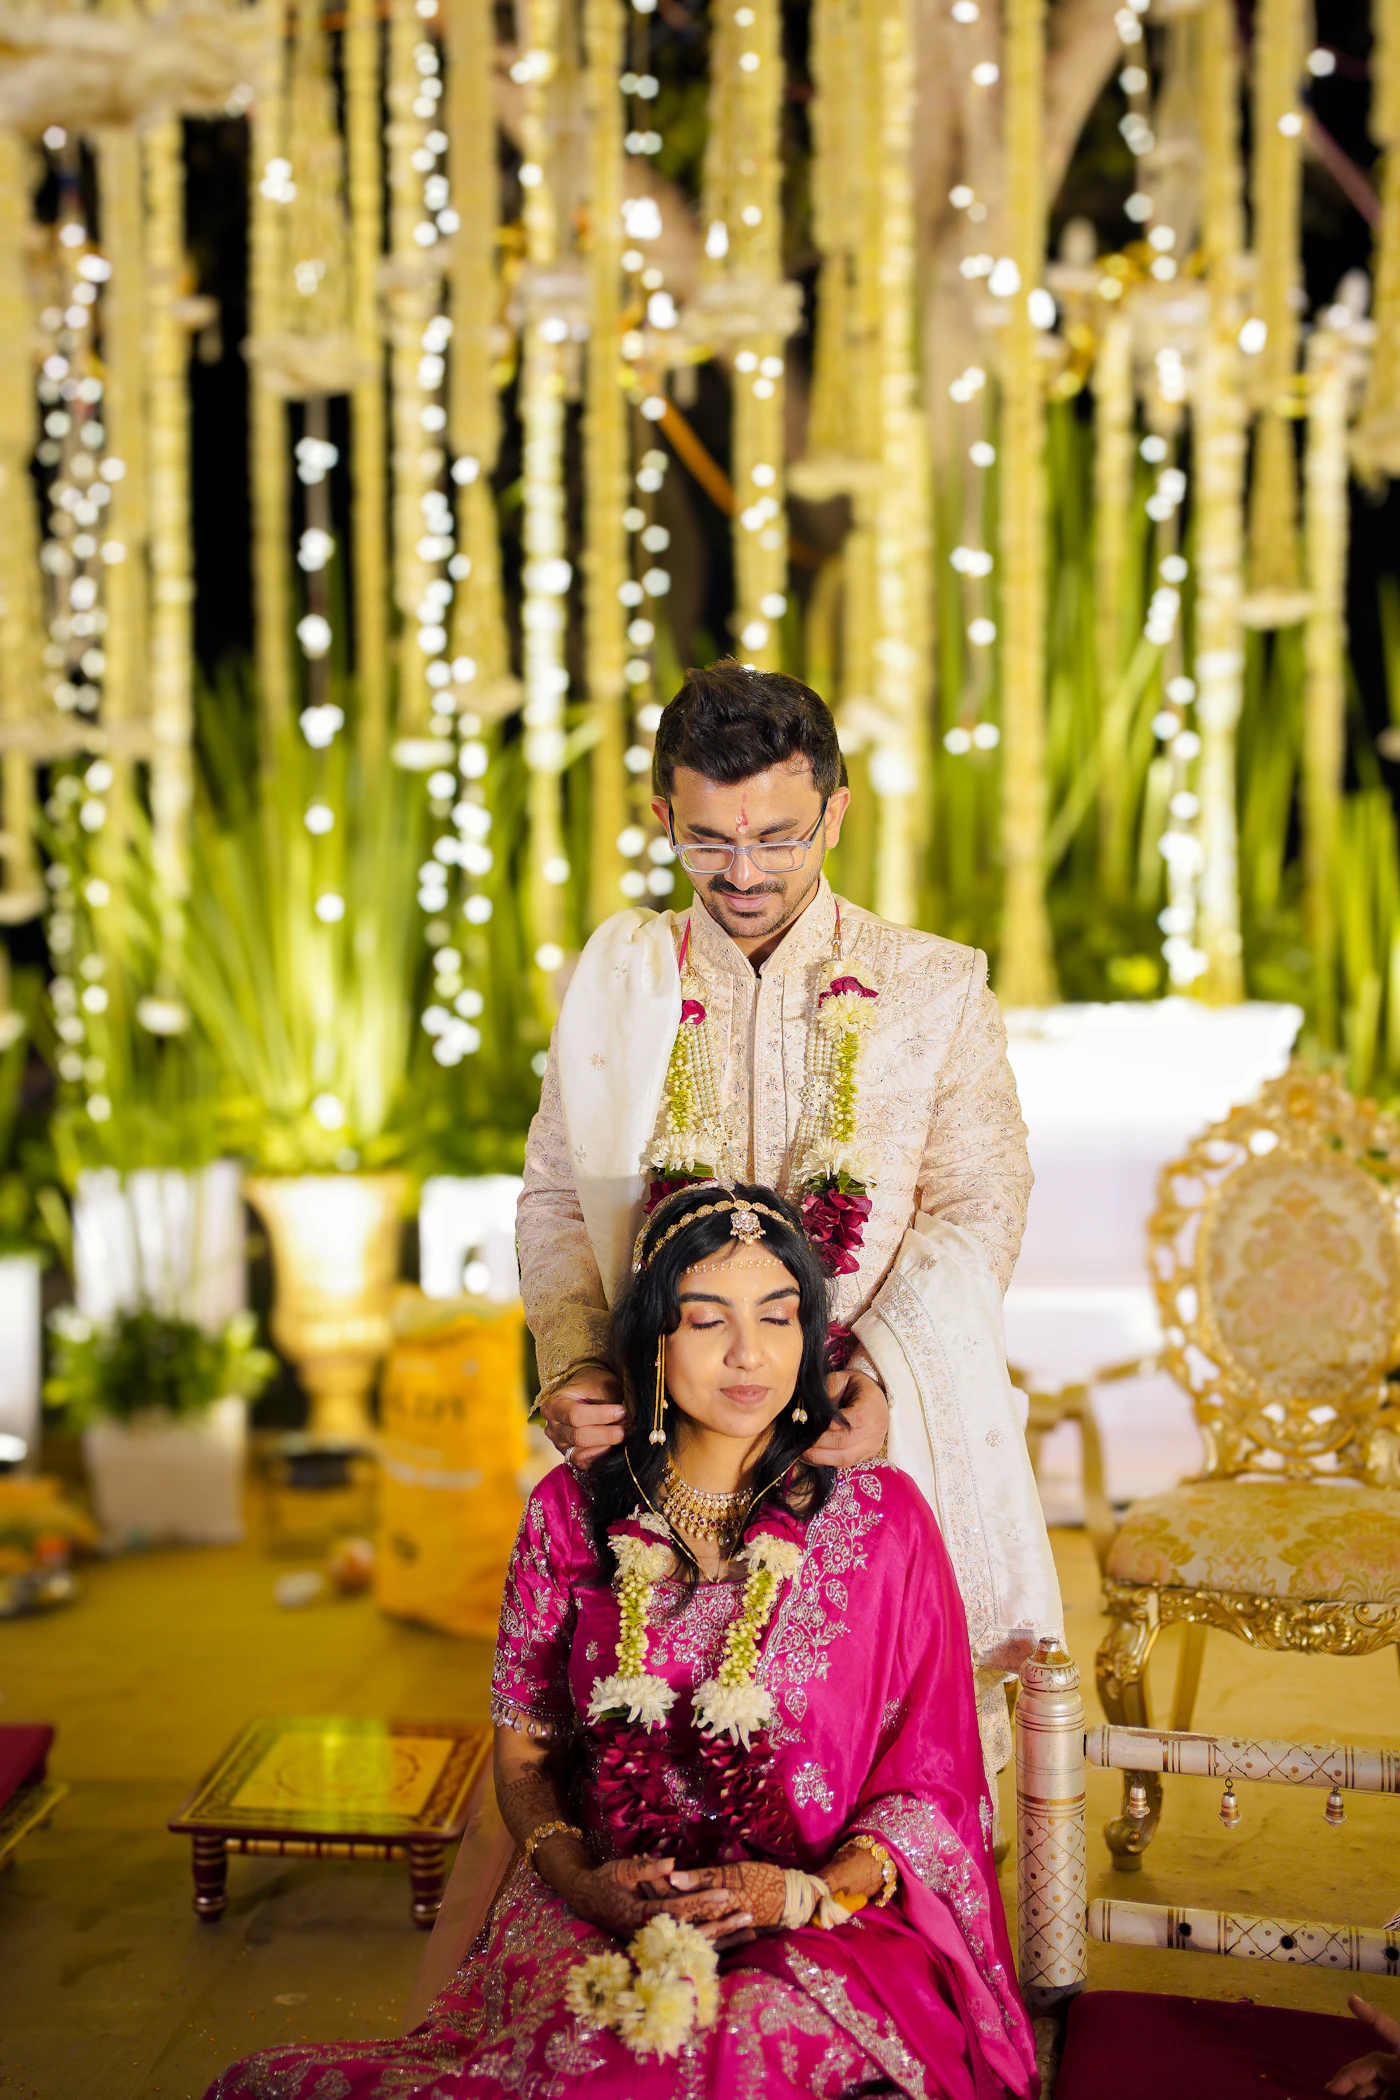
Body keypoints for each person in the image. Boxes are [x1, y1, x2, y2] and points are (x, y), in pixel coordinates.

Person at [205, 1185, 1037, 2100]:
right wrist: (583, 1884)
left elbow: (933, 1783)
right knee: (604, 2053)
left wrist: (804, 1894)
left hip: (825, 1920)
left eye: (778, 1316)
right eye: (707, 1320)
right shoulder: (568, 1514)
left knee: (744, 2034)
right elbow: (525, 1754)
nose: (749, 1353)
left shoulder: (882, 1519)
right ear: (650, 1341)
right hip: (605, 1907)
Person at [520, 660, 1061, 1773]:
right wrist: (574, 1360)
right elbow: (560, 1197)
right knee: (654, 1766)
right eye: (707, 841)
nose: (743, 872)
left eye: (778, 837)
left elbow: (977, 1199)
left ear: (835, 814)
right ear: (663, 817)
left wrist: (885, 1380)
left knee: (874, 1769)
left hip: (858, 1426)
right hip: (667, 1434)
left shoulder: (935, 988)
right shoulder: (620, 987)